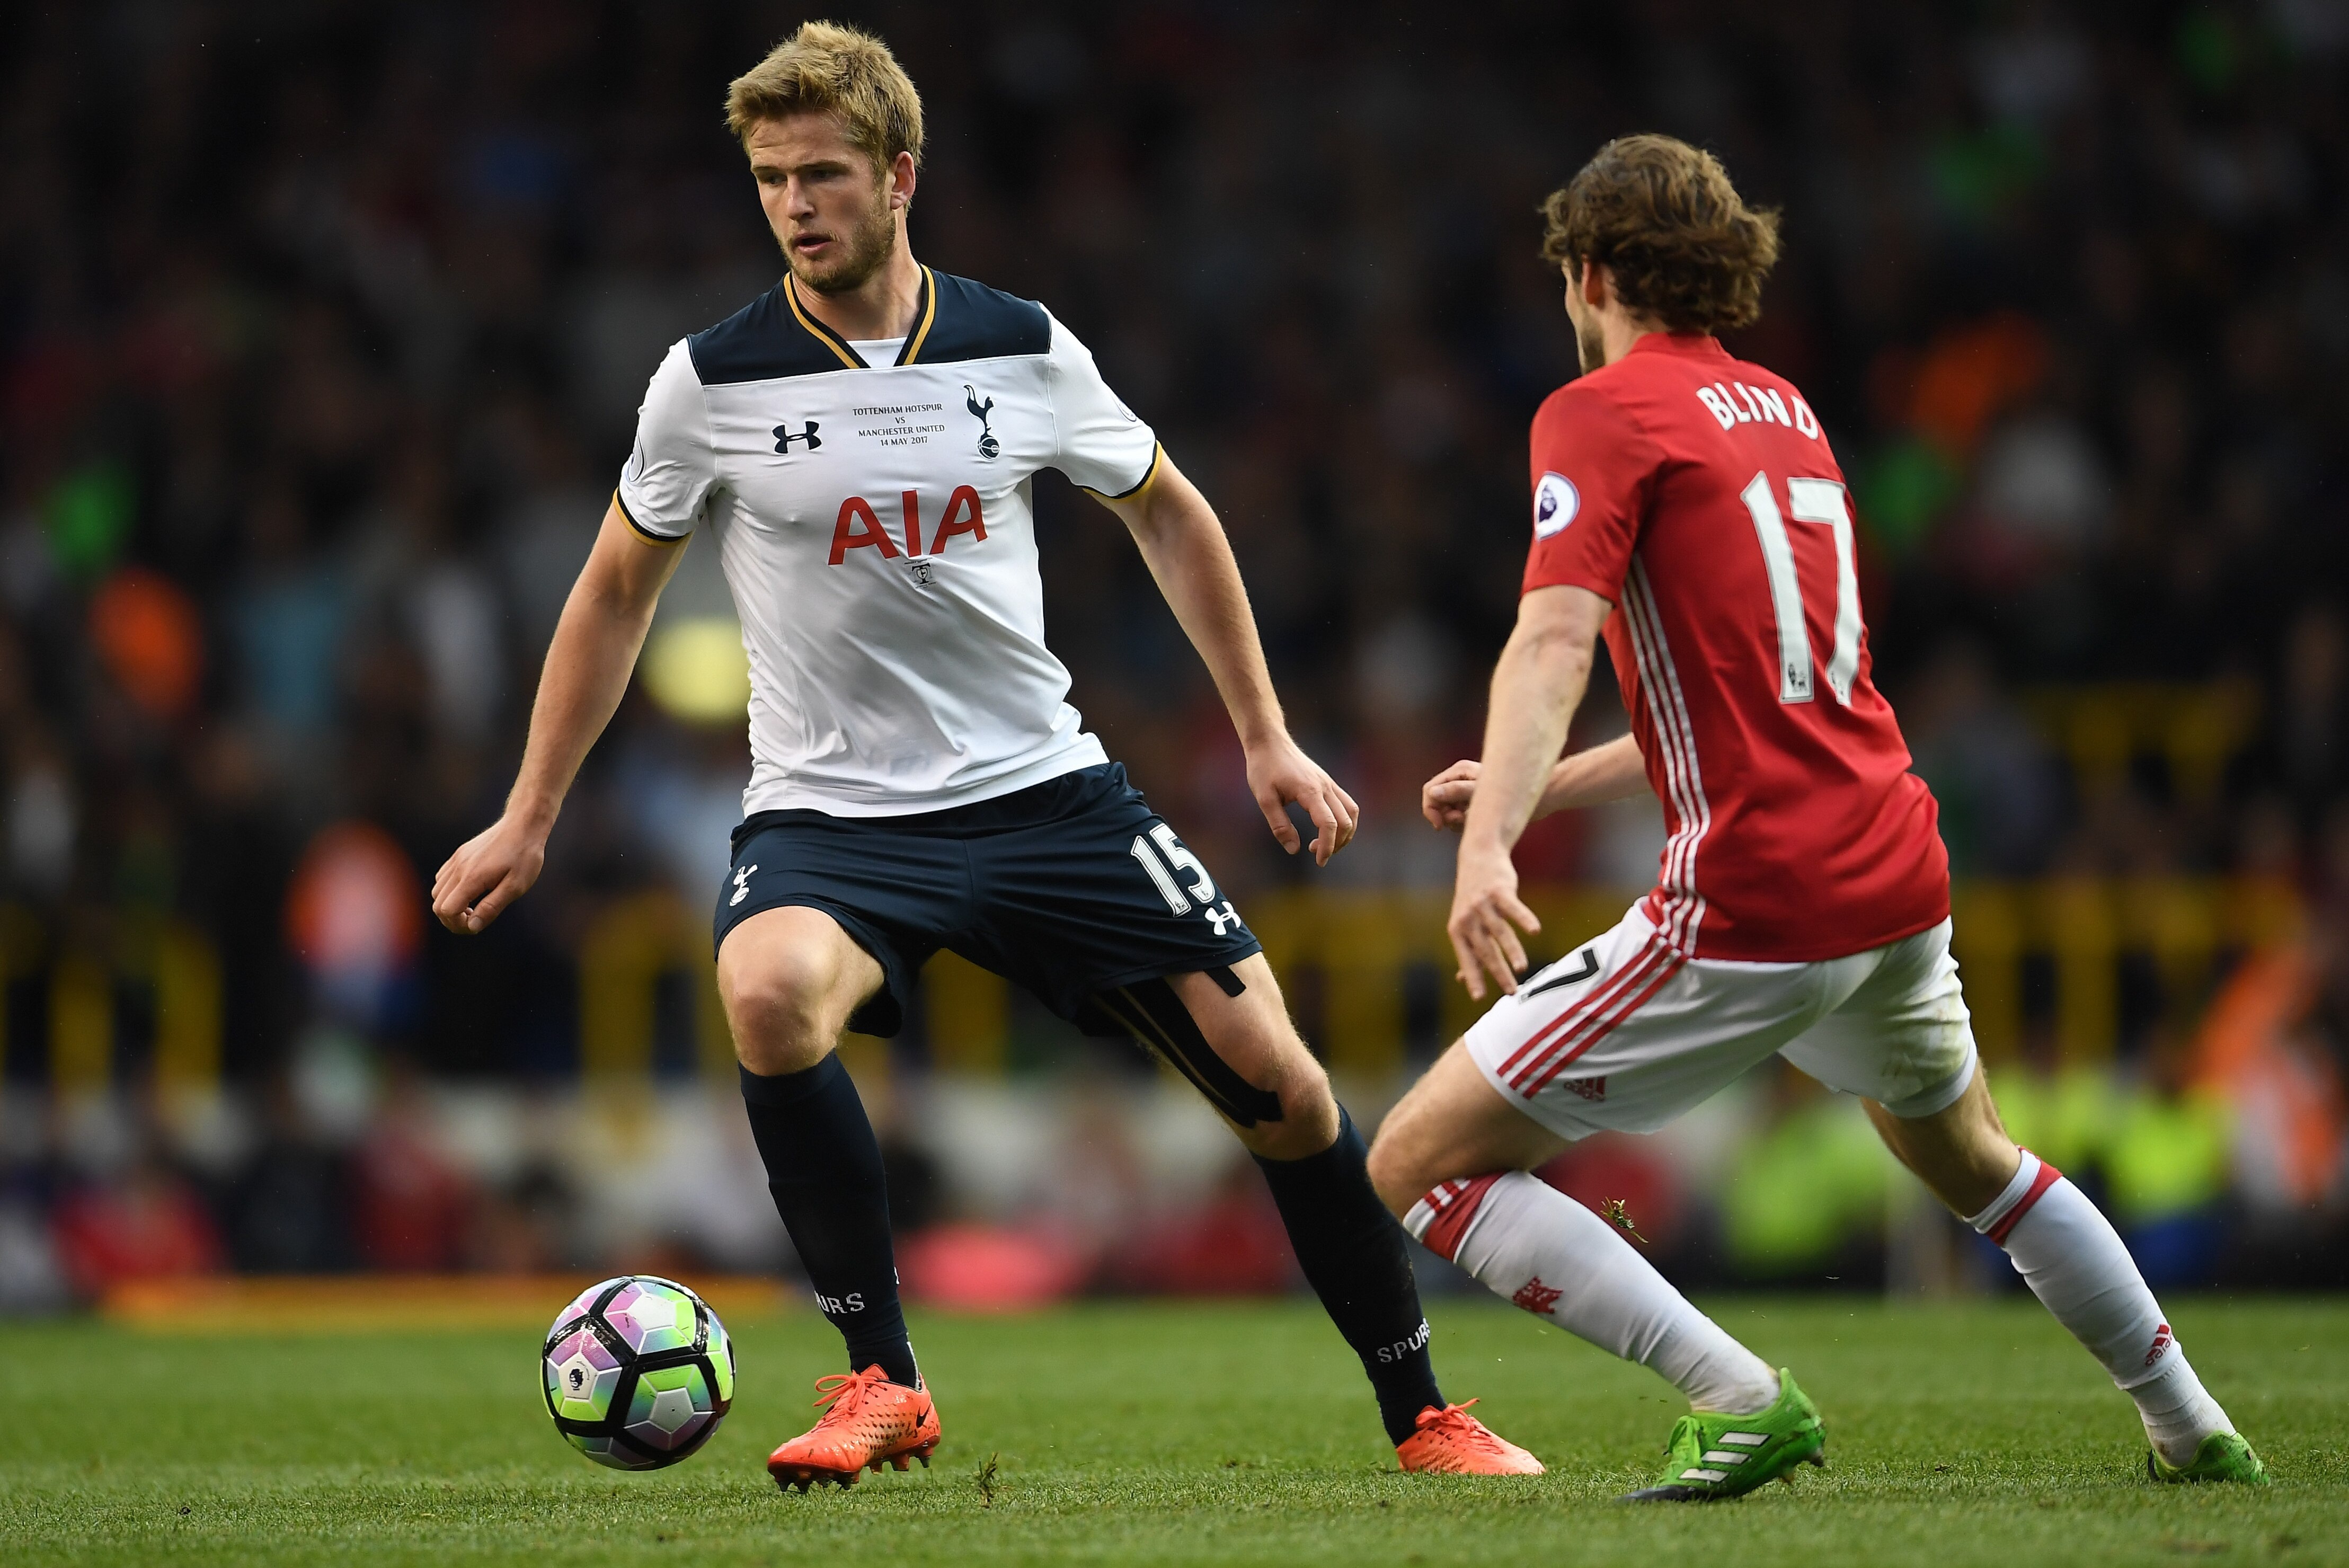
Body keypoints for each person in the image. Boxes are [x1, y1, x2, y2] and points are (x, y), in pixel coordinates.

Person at [430, 21, 1536, 1489]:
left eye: (823, 173)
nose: (794, 204)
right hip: (832, 816)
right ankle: (882, 1380)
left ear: (901, 175)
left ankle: (1424, 1413)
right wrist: (529, 815)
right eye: (770, 179)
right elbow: (612, 592)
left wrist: (1264, 736)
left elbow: (1170, 512)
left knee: (1281, 1086)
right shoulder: (709, 380)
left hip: (1044, 796)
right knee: (766, 992)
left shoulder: (1020, 344)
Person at [1364, 134, 2268, 1499]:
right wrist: (1526, 783)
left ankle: (1739, 1396)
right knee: (1975, 1159)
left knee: (1419, 1161)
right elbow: (1758, 703)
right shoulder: (1783, 411)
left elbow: (1552, 640)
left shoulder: (1599, 411)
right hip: (1892, 870)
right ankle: (2192, 1426)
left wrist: (1490, 846)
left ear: (1592, 271)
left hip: (1758, 900)